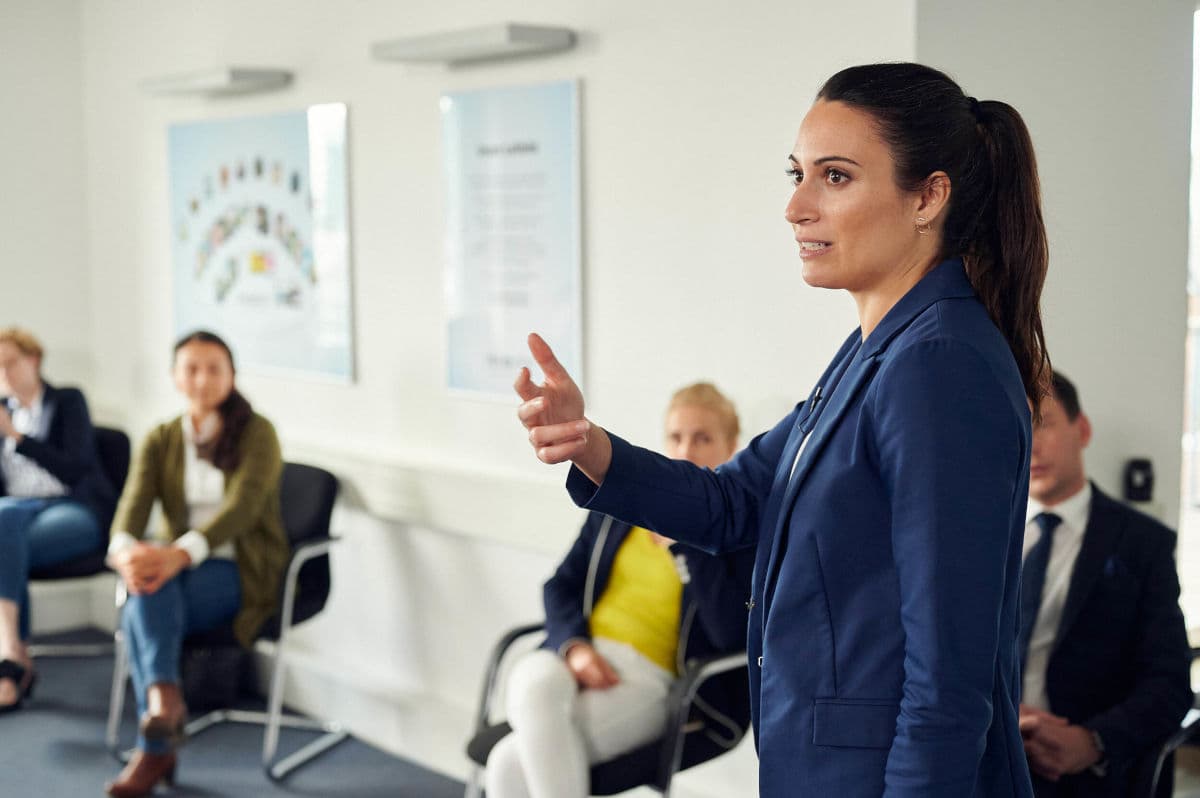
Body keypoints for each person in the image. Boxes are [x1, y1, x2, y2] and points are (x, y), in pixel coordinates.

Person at [515, 62, 1050, 797]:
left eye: (834, 177)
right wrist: (590, 444)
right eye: (796, 174)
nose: (796, 206)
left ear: (928, 197)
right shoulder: (877, 351)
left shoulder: (939, 365)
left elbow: (949, 671)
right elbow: (732, 504)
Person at [486, 383, 755, 798]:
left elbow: (728, 633)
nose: (686, 450)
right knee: (533, 686)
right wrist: (574, 647)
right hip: (578, 656)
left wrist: (688, 541)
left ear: (732, 447)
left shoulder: (735, 536)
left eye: (703, 438)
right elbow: (561, 585)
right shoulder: (625, 509)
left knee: (507, 761)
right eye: (676, 436)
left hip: (651, 680)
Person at [103, 330, 289, 798]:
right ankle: (163, 713)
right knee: (146, 583)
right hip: (174, 568)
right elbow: (132, 505)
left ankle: (157, 729)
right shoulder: (163, 437)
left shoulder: (257, 433)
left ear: (231, 376)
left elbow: (242, 509)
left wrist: (177, 554)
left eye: (214, 368)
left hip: (242, 569)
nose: (202, 379)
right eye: (191, 368)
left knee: (145, 593)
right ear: (174, 376)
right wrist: (127, 554)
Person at [1018, 372, 1192, 796]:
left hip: (1086, 770)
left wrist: (1091, 742)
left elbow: (1168, 683)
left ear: (1082, 429)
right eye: (1018, 428)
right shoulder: (977, 536)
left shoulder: (1142, 543)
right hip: (989, 750)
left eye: (1042, 423)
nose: (1031, 445)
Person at [0, 327, 116, 712]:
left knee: (4, 535)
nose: (4, 372)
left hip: (73, 510)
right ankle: (14, 655)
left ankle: (11, 654)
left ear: (33, 360)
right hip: (17, 516)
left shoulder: (67, 401)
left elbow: (75, 468)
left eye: (10, 362)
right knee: (5, 527)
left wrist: (17, 436)